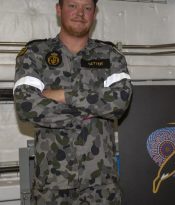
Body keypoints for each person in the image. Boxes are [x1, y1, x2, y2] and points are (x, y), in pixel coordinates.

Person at [13, 0, 132, 204]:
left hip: (100, 185)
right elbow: (26, 105)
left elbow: (120, 102)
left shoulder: (111, 56)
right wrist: (92, 109)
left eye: (87, 8)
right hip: (51, 184)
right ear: (59, 10)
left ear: (94, 13)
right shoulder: (35, 54)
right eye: (72, 6)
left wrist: (62, 95)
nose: (80, 13)